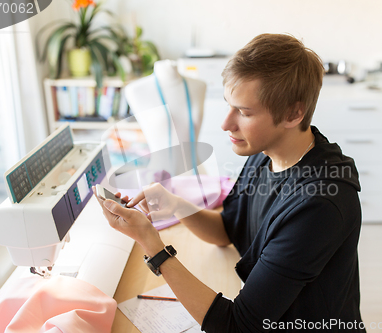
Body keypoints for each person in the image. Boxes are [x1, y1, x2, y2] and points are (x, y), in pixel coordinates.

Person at [93, 33, 365, 332]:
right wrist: (176, 205)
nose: (226, 124)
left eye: (245, 112)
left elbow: (238, 326)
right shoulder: (265, 154)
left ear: (293, 113)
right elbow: (228, 230)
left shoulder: (318, 205)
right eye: (229, 106)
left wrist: (153, 246)